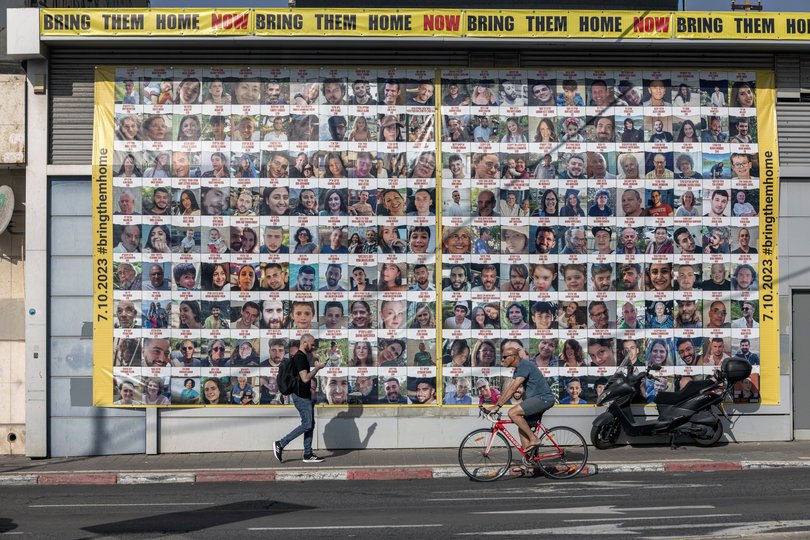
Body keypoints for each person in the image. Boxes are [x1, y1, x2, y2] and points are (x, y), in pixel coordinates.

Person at [487, 341, 556, 451]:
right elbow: (509, 389)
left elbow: (513, 388)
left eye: (505, 357)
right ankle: (529, 465)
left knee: (512, 413)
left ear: (513, 357)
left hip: (543, 398)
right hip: (537, 399)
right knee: (522, 429)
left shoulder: (524, 365)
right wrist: (496, 404)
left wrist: (498, 406)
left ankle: (534, 439)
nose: (502, 360)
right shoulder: (518, 369)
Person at [274, 334, 325, 464]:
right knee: (307, 424)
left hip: (304, 395)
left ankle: (308, 454)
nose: (313, 346)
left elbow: (305, 375)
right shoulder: (300, 358)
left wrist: (315, 362)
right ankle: (281, 443)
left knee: (310, 425)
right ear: (304, 343)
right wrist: (317, 368)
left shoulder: (301, 356)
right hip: (301, 397)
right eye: (312, 344)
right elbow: (306, 378)